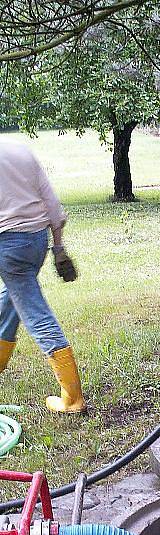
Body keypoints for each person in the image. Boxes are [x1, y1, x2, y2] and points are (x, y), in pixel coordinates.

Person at [0, 141, 86, 413]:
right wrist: (58, 248)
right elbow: (53, 206)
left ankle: (72, 399)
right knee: (13, 299)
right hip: (37, 241)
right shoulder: (21, 151)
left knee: (35, 313)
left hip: (8, 244)